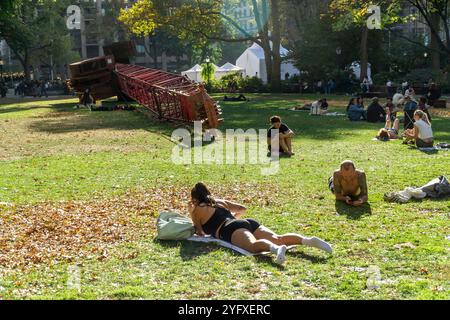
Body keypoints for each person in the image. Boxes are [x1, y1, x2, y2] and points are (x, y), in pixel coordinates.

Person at [188, 183, 333, 265]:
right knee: (279, 237)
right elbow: (242, 208)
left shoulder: (196, 210)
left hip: (229, 229)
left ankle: (276, 249)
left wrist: (191, 214)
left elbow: (200, 232)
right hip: (247, 222)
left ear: (195, 197)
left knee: (252, 246)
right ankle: (307, 240)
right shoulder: (219, 202)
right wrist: (234, 217)